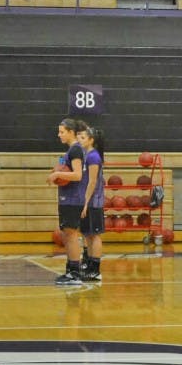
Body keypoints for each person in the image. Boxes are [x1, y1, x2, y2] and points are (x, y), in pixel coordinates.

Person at [47, 117, 86, 286]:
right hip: (67, 198)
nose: (59, 134)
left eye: (62, 132)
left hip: (73, 198)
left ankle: (75, 273)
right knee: (67, 235)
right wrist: (56, 171)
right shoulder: (70, 151)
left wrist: (58, 175)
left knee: (71, 235)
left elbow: (78, 175)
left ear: (71, 132)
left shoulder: (76, 150)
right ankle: (71, 270)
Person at [77, 125, 105, 283]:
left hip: (94, 201)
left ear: (91, 140)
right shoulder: (87, 155)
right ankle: (88, 264)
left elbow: (93, 181)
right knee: (87, 233)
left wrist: (86, 202)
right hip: (86, 200)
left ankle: (96, 269)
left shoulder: (93, 157)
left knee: (94, 234)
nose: (79, 140)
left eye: (83, 138)